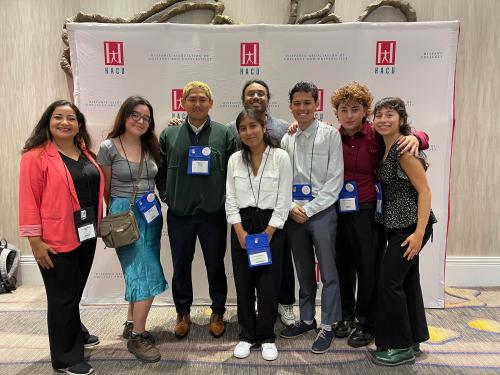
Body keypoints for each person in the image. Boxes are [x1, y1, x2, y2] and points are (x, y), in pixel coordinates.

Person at [330, 82, 429, 348]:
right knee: (343, 267)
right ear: (336, 113)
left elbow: (410, 134)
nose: (349, 115)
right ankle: (345, 316)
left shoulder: (375, 133)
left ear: (365, 112)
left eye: (355, 109)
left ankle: (366, 322)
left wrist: (417, 137)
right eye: (343, 110)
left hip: (368, 210)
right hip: (338, 210)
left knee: (368, 268)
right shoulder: (331, 136)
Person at [19, 100, 104, 375]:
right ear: (48, 121)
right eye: (58, 117)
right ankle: (66, 357)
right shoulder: (35, 157)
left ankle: (74, 331)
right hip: (55, 239)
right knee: (62, 298)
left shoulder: (85, 153)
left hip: (86, 233)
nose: (65, 123)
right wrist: (34, 240)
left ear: (79, 125)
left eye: (71, 118)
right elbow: (28, 200)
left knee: (72, 292)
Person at [156, 81, 236, 339]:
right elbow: (160, 170)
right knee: (181, 266)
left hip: (213, 215)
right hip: (180, 215)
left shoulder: (224, 134)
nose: (198, 103)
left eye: (203, 99)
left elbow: (235, 173)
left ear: (211, 103)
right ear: (183, 103)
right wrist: (168, 196)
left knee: (215, 266)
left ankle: (217, 311)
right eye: (192, 99)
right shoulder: (170, 134)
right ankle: (182, 312)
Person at [97, 96, 167, 363]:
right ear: (124, 116)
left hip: (151, 214)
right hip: (124, 214)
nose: (140, 121)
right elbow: (105, 189)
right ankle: (138, 336)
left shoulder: (151, 145)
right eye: (135, 115)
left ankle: (130, 323)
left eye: (146, 118)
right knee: (146, 273)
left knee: (140, 272)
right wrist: (115, 214)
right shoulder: (108, 147)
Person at [371, 97, 437, 366]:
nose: (384, 119)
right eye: (379, 115)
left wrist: (419, 233)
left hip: (410, 228)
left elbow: (425, 191)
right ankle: (414, 338)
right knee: (407, 282)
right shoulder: (385, 146)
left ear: (401, 119)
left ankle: (399, 347)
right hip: (397, 225)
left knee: (389, 284)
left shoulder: (405, 150)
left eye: (390, 114)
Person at [279, 82, 344, 354]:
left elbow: (335, 179)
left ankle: (328, 326)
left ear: (316, 104)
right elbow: (282, 179)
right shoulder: (287, 138)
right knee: (303, 270)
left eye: (307, 103)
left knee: (328, 272)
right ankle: (307, 319)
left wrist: (310, 209)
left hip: (322, 213)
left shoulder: (330, 135)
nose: (302, 108)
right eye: (297, 103)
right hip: (294, 214)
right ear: (291, 106)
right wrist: (294, 207)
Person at [227, 79, 296, 326]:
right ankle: (247, 331)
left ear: (264, 125)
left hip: (272, 221)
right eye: (243, 128)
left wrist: (270, 230)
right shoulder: (234, 155)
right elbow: (231, 197)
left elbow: (283, 197)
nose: (249, 132)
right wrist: (239, 230)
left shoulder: (284, 137)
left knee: (271, 277)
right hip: (242, 220)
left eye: (253, 126)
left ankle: (271, 325)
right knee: (244, 281)